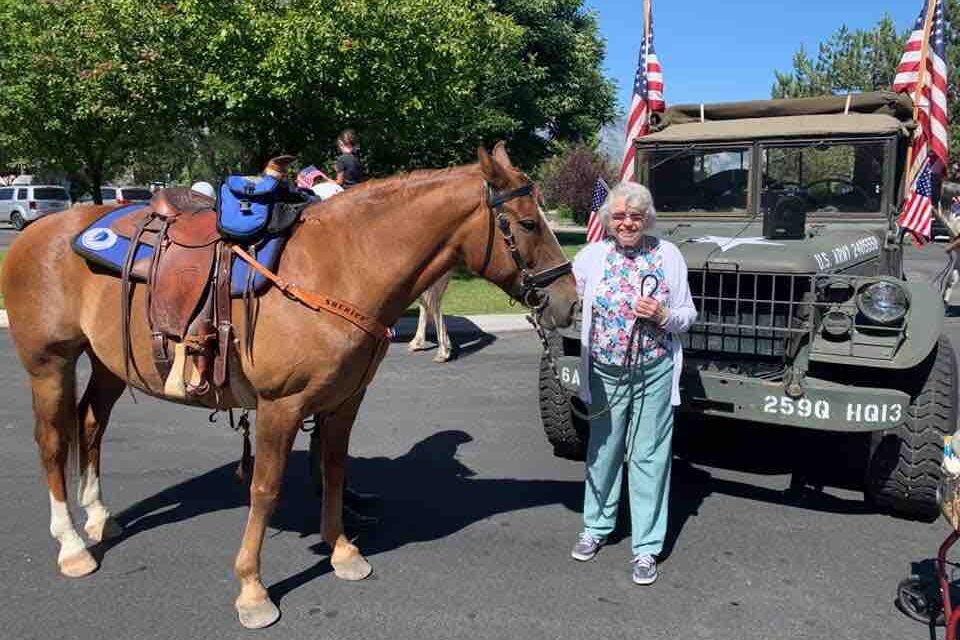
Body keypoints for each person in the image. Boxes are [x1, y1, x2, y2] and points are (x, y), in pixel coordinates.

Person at [569, 181, 697, 586]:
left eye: (636, 216)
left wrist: (662, 314)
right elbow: (571, 303)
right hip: (605, 373)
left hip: (653, 371)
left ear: (647, 219)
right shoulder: (590, 257)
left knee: (649, 457)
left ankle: (646, 548)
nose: (627, 222)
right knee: (603, 450)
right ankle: (596, 527)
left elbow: (687, 316)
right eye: (620, 216)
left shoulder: (667, 255)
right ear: (607, 220)